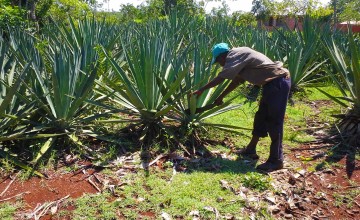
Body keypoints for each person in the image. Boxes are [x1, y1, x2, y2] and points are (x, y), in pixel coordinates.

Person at [192, 43, 291, 172]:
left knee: (274, 121)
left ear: (223, 56)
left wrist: (201, 90)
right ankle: (251, 150)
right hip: (271, 84)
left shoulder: (235, 55)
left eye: (218, 61)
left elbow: (221, 77)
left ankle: (276, 160)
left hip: (278, 82)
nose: (220, 65)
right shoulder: (238, 58)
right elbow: (237, 80)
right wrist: (221, 97)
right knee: (261, 117)